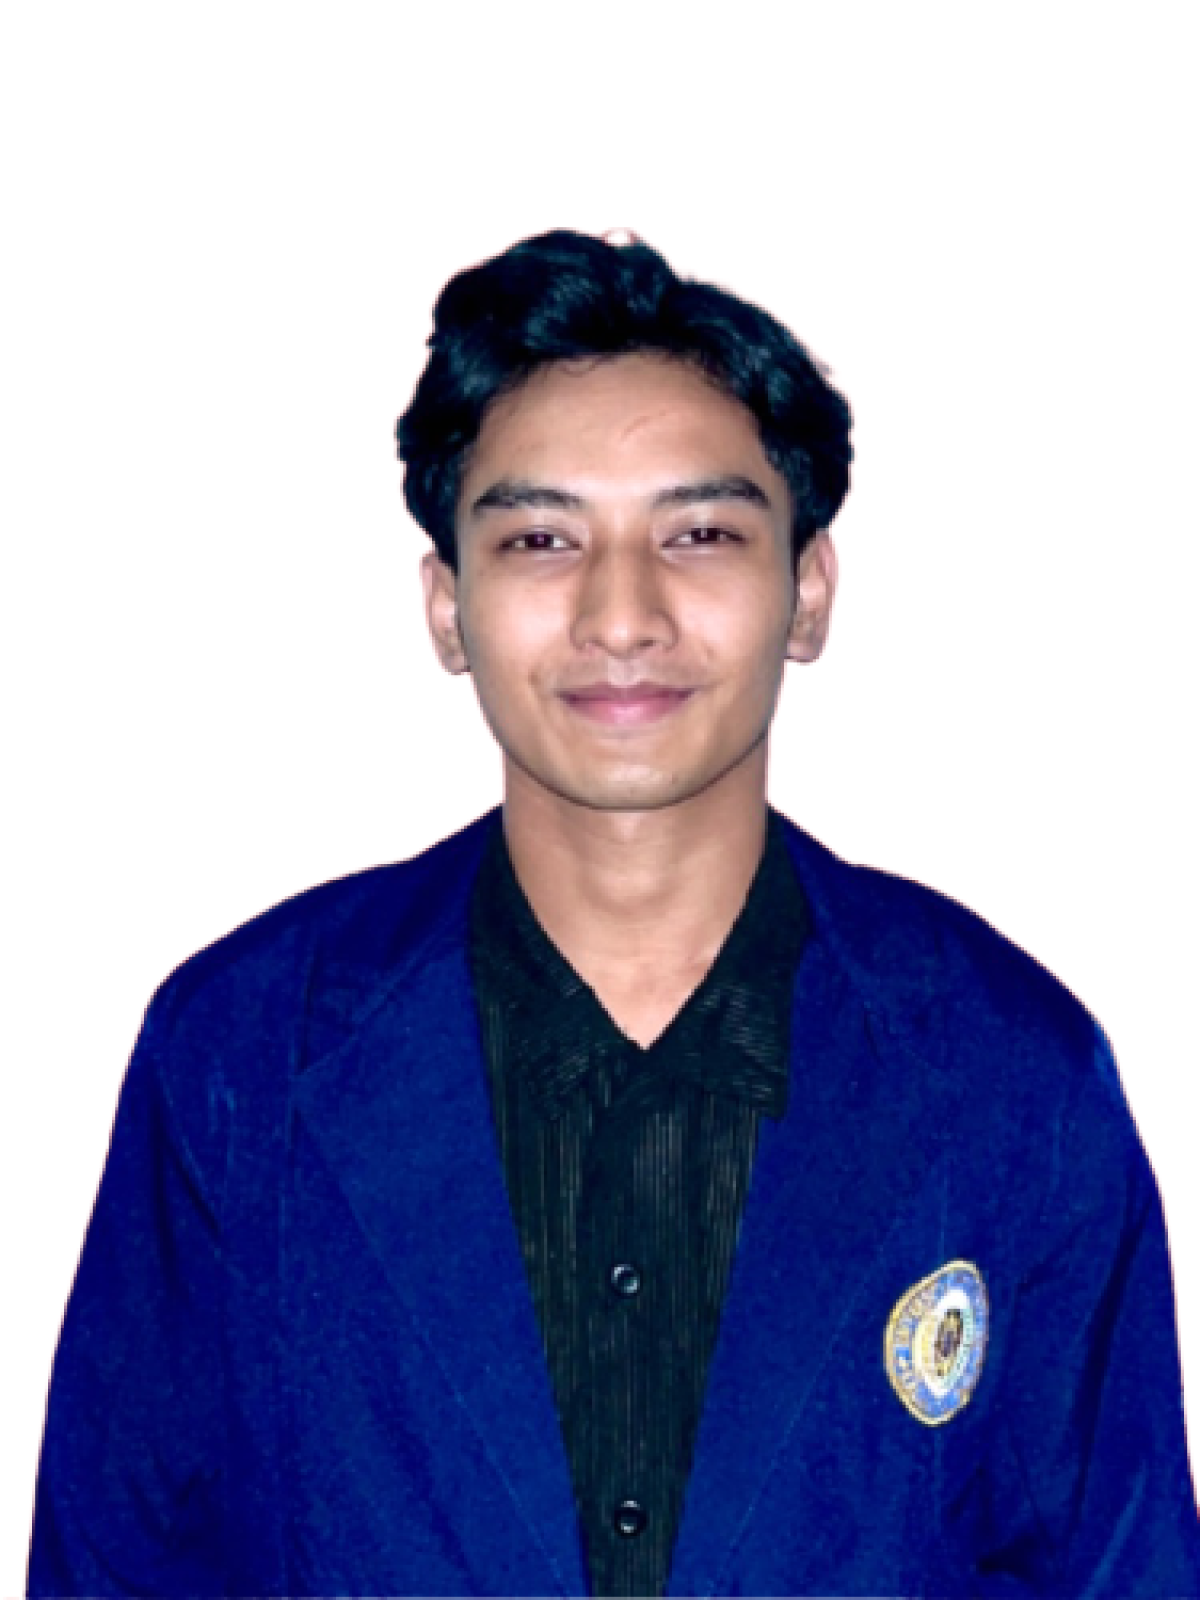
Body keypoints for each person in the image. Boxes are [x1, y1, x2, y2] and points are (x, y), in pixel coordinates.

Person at [27, 229, 1200, 1598]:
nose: (622, 614)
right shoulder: (242, 1055)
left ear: (808, 589)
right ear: (447, 605)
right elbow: (111, 1566)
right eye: (540, 538)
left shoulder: (1009, 1072)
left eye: (700, 534)